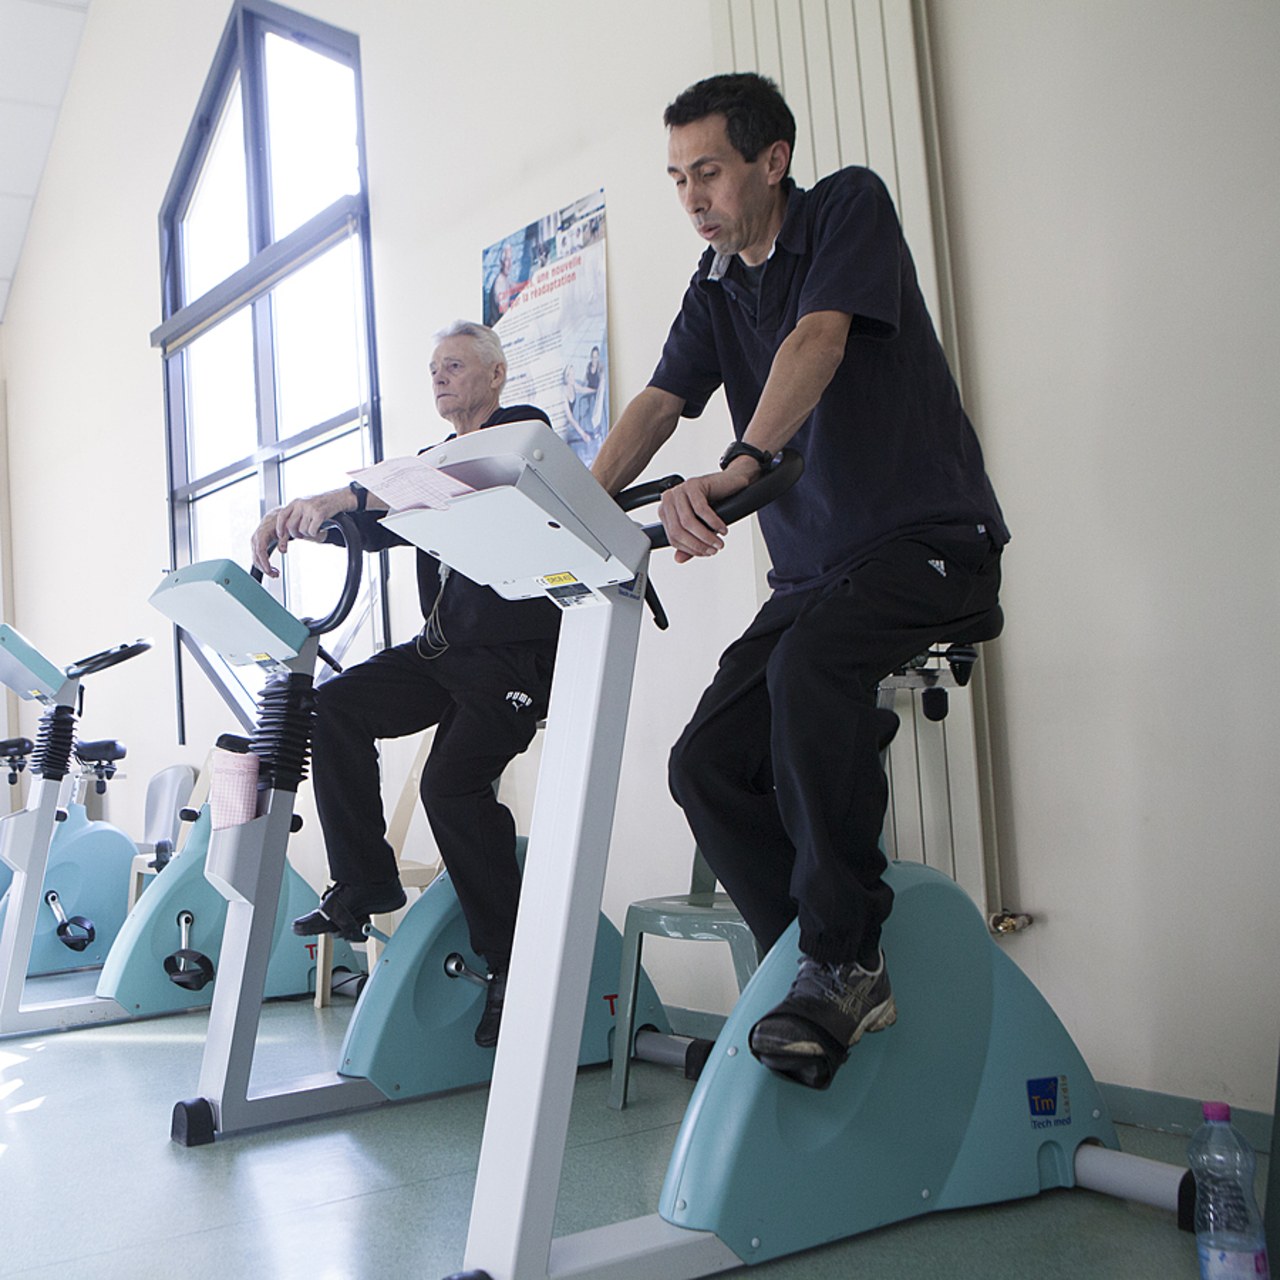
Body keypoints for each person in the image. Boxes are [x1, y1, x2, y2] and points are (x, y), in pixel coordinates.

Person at [591, 74, 1009, 1090]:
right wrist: (577, 511)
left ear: (768, 161)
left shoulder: (843, 210)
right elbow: (656, 399)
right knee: (703, 762)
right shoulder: (714, 282)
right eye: (676, 177)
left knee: (809, 673)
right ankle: (803, 969)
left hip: (926, 541)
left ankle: (845, 955)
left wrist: (740, 463)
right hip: (818, 572)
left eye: (709, 171)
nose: (692, 195)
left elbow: (817, 339)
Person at [250, 320, 559, 1048]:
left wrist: (343, 495)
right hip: (443, 651)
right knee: (334, 708)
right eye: (433, 369)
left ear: (495, 375)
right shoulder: (430, 465)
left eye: (454, 365)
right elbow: (386, 520)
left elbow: (444, 484)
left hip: (514, 659)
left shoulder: (522, 433)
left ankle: (513, 967)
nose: (440, 377)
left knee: (451, 787)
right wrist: (302, 522)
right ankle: (365, 884)